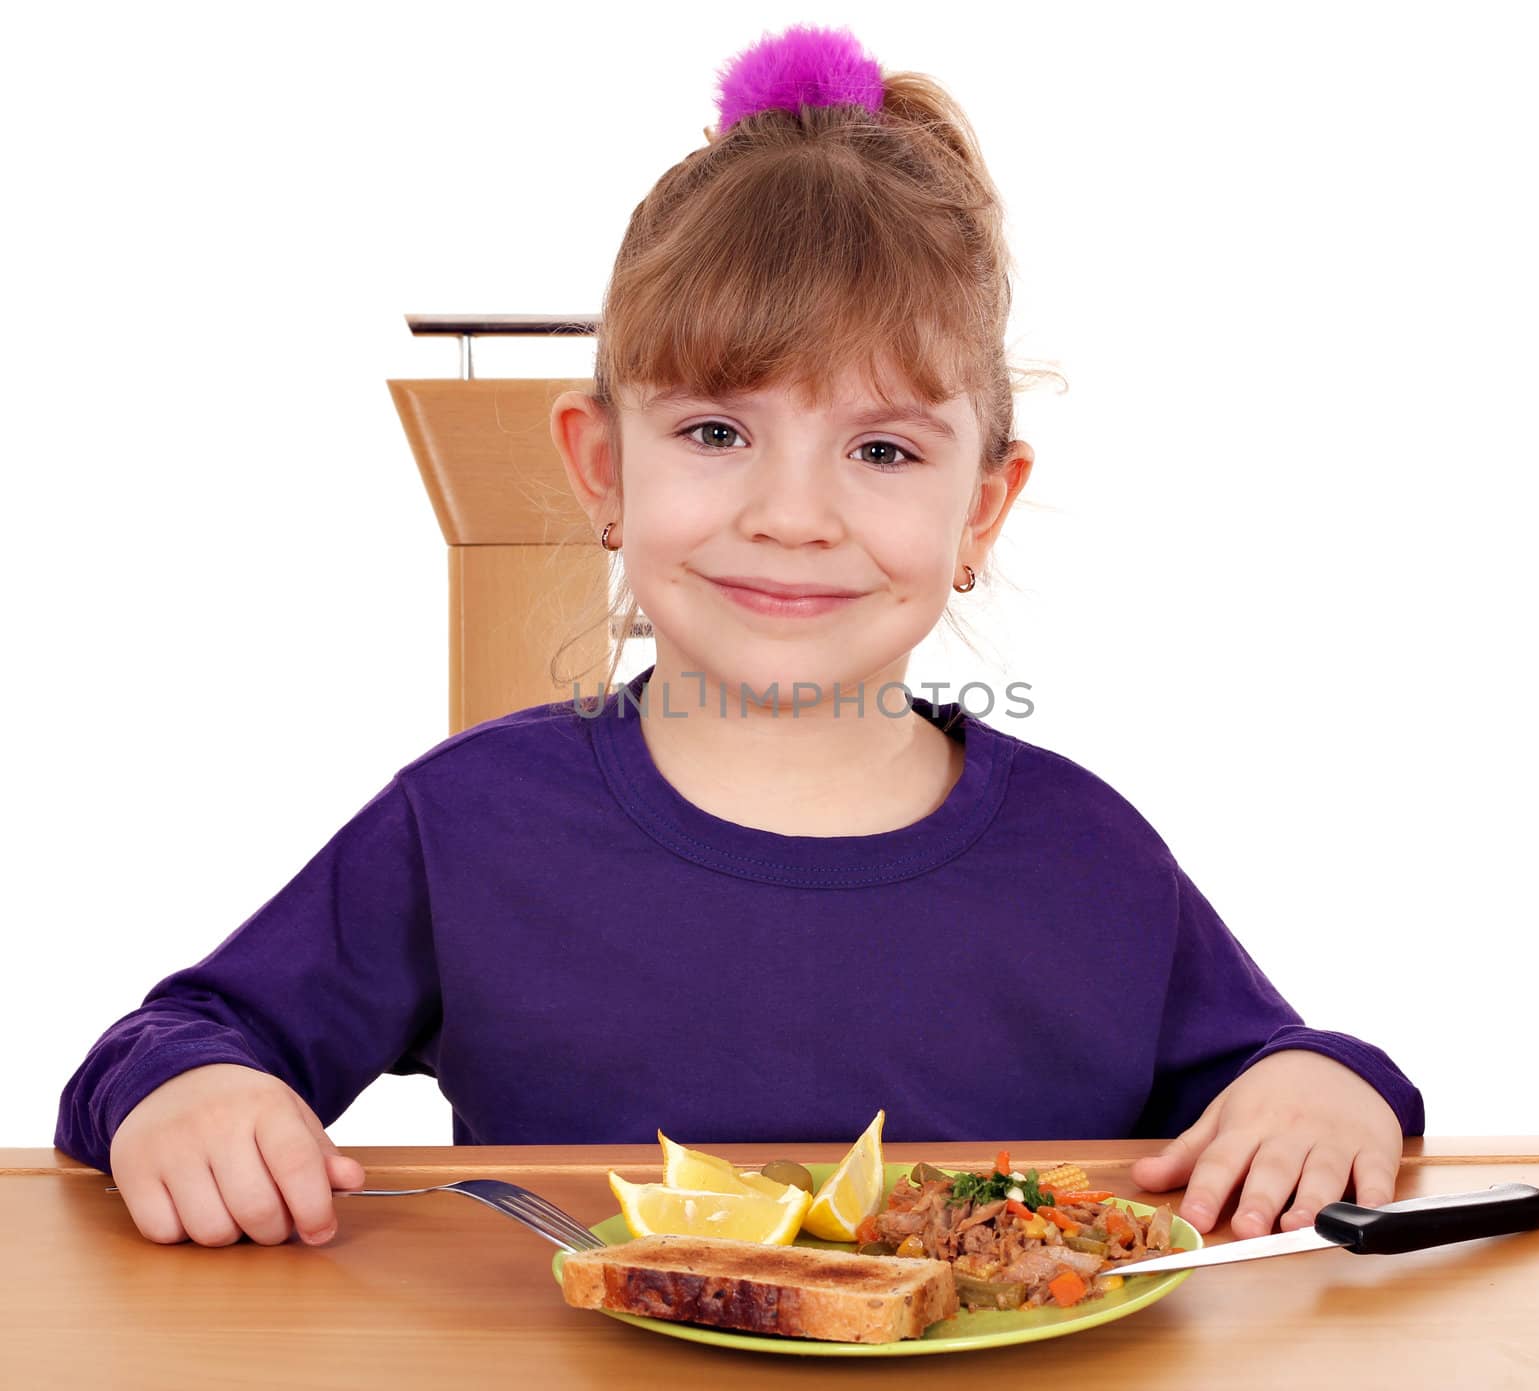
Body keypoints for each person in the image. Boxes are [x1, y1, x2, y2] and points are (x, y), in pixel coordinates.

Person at [55, 22, 1422, 1254]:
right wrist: (189, 1094)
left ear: (979, 511)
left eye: (882, 449)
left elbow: (1285, 1075)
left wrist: (1329, 1083)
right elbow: (177, 1038)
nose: (791, 515)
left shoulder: (1092, 857)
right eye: (717, 432)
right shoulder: (463, 824)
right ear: (603, 470)